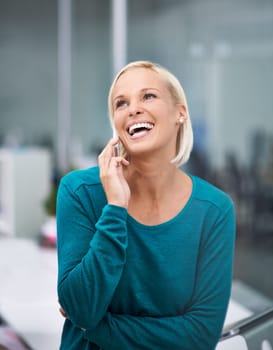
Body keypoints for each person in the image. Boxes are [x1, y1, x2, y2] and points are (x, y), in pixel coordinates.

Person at [56, 60, 236, 349]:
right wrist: (115, 206)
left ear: (180, 113)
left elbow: (200, 335)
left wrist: (97, 325)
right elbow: (83, 305)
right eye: (121, 103)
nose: (133, 109)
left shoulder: (214, 210)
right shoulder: (80, 191)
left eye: (148, 96)